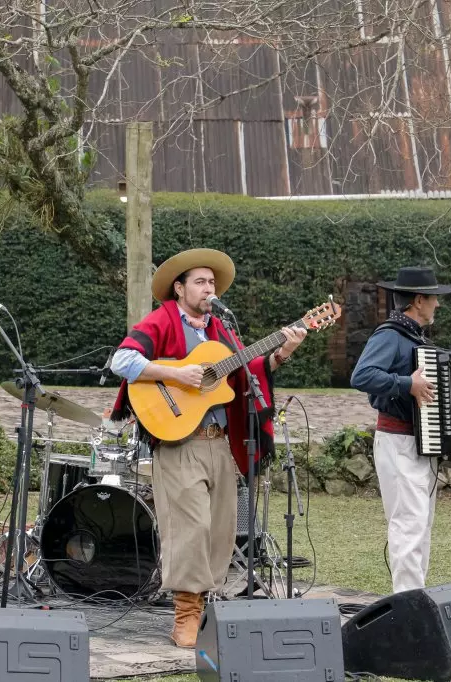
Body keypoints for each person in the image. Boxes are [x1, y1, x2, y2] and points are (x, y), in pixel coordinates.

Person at [108, 248, 307, 647]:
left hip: (220, 444)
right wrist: (176, 372)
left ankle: (205, 601)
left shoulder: (223, 330)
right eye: (200, 281)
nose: (208, 288)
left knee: (220, 530)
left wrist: (283, 350)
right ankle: (186, 612)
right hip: (179, 442)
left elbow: (245, 372)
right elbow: (122, 360)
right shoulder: (161, 320)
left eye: (211, 282)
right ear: (179, 289)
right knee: (191, 527)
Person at [350, 266, 451, 593]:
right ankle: (409, 606)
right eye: (434, 298)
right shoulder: (390, 335)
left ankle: (415, 598)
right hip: (398, 442)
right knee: (408, 527)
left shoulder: (413, 338)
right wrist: (406, 383)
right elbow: (361, 375)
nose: (438, 304)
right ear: (419, 300)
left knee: (420, 526)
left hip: (419, 443)